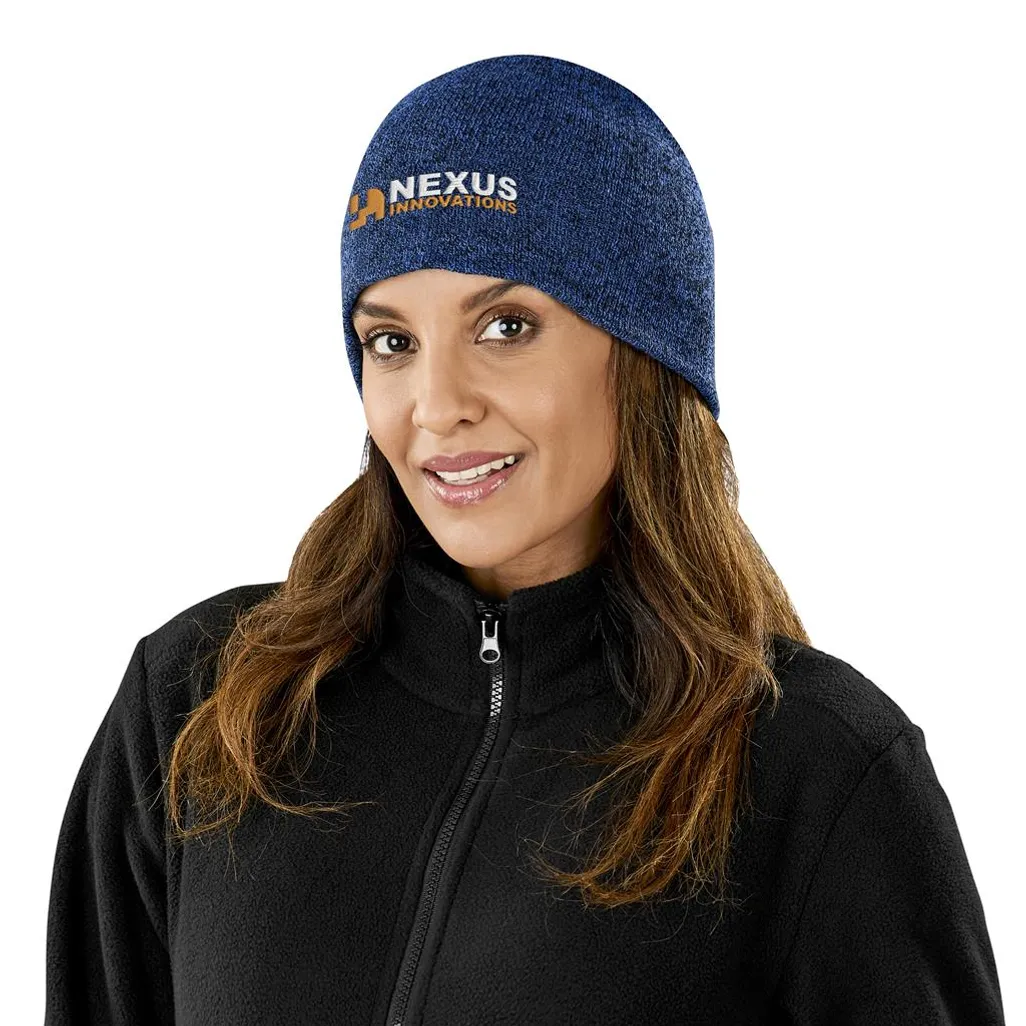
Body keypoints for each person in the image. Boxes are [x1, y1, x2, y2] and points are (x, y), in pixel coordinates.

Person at [44, 54, 1005, 1025]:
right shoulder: (205, 705)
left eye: (506, 326)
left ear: (642, 353)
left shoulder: (817, 772)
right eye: (391, 341)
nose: (437, 405)